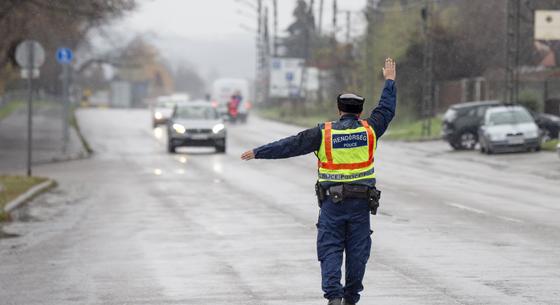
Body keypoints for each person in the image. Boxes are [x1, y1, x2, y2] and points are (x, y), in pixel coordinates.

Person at [241, 58, 397, 305]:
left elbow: (291, 145)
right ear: (359, 112)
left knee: (330, 249)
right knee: (358, 253)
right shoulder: (370, 130)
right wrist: (389, 80)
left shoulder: (324, 133)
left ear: (339, 110)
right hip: (360, 206)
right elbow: (386, 110)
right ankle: (351, 298)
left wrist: (259, 152)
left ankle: (334, 297)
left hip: (332, 205)